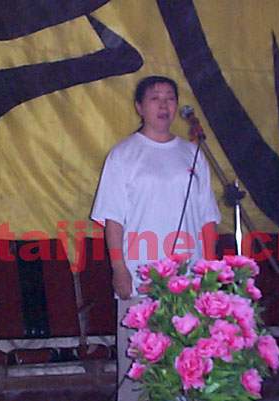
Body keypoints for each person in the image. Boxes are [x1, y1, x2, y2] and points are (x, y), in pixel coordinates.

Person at [90, 75, 221, 401]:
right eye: (155, 98)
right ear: (139, 107)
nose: (164, 105)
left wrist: (209, 271)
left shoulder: (193, 153)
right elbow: (113, 219)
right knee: (141, 370)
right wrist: (119, 269)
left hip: (188, 279)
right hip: (141, 276)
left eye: (170, 98)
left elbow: (208, 219)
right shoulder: (123, 155)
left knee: (187, 368)